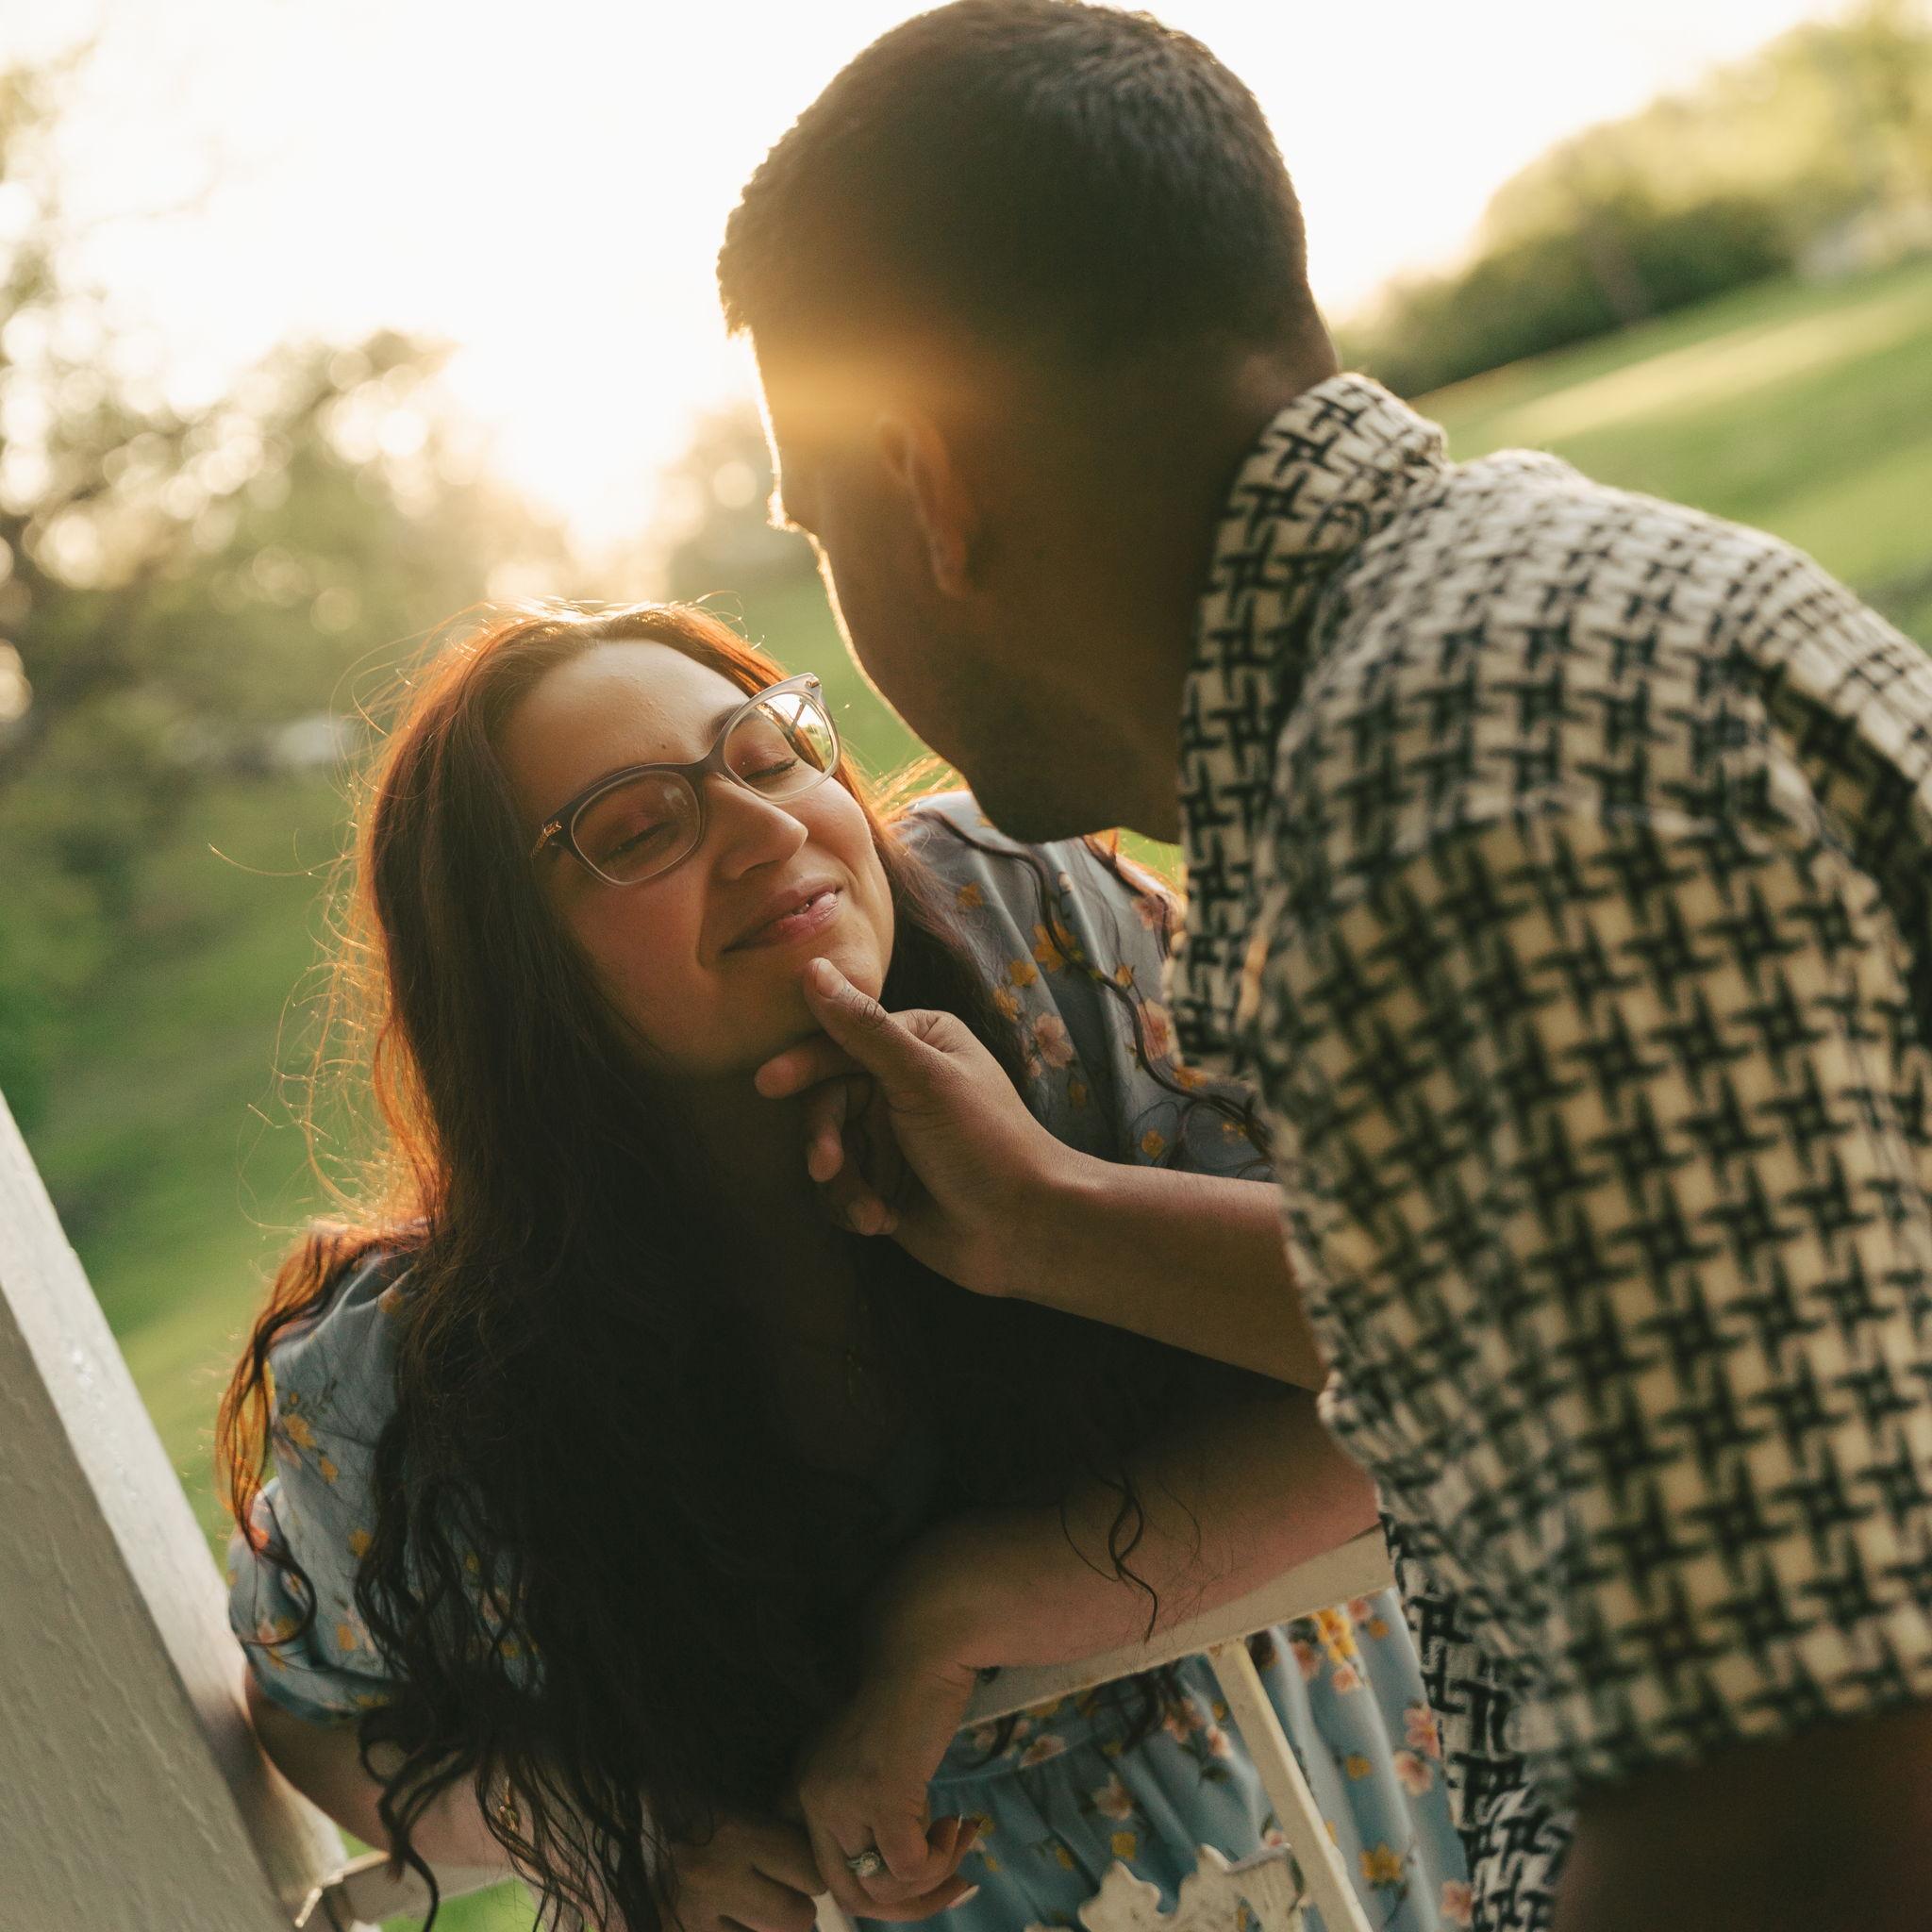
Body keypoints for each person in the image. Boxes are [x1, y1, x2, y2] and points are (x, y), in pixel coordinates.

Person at [713, 4, 1932, 1929]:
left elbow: (1799, 1808)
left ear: (927, 482)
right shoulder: (1509, 620)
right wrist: (1043, 1222)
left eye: (816, 530)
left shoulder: (1444, 803)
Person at [220, 602, 1474, 1932]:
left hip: (1376, 1841)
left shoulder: (1032, 929)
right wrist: (618, 1822)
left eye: (769, 755)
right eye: (638, 832)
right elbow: (319, 1719)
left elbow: (1479, 1354)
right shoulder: (423, 1379)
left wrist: (1045, 1237)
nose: (768, 830)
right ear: (511, 974)